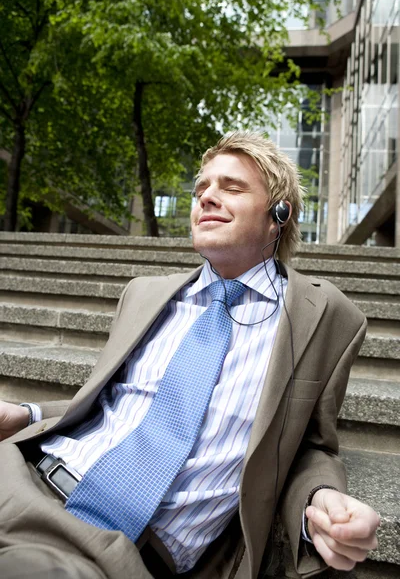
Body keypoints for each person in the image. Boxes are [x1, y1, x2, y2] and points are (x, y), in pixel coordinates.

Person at [0, 132, 379, 579]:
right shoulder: (145, 294)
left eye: (231, 188)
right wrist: (25, 413)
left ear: (279, 214)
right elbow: (120, 403)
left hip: (115, 546)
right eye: (201, 189)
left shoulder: (326, 314)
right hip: (21, 476)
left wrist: (320, 499)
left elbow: (309, 443)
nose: (207, 198)